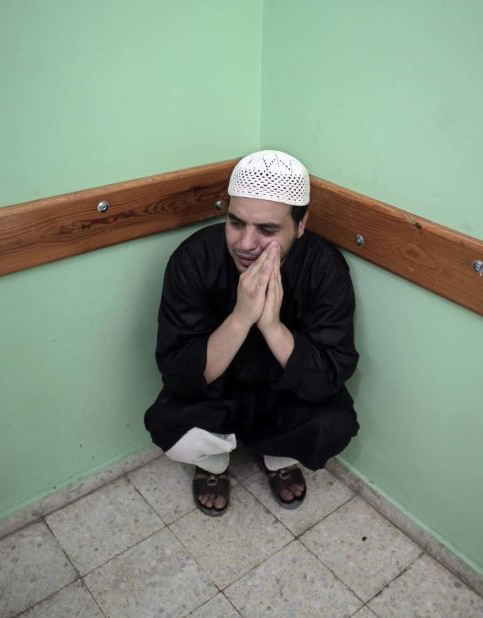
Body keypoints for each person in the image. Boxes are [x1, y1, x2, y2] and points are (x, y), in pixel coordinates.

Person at [144, 149, 360, 516]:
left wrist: (272, 326)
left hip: (282, 393)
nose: (245, 243)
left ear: (301, 225)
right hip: (217, 392)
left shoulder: (324, 267)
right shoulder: (194, 257)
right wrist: (241, 318)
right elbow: (178, 370)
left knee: (333, 424)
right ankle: (213, 465)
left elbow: (328, 373)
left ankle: (277, 457)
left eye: (267, 230)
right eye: (235, 222)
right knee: (171, 428)